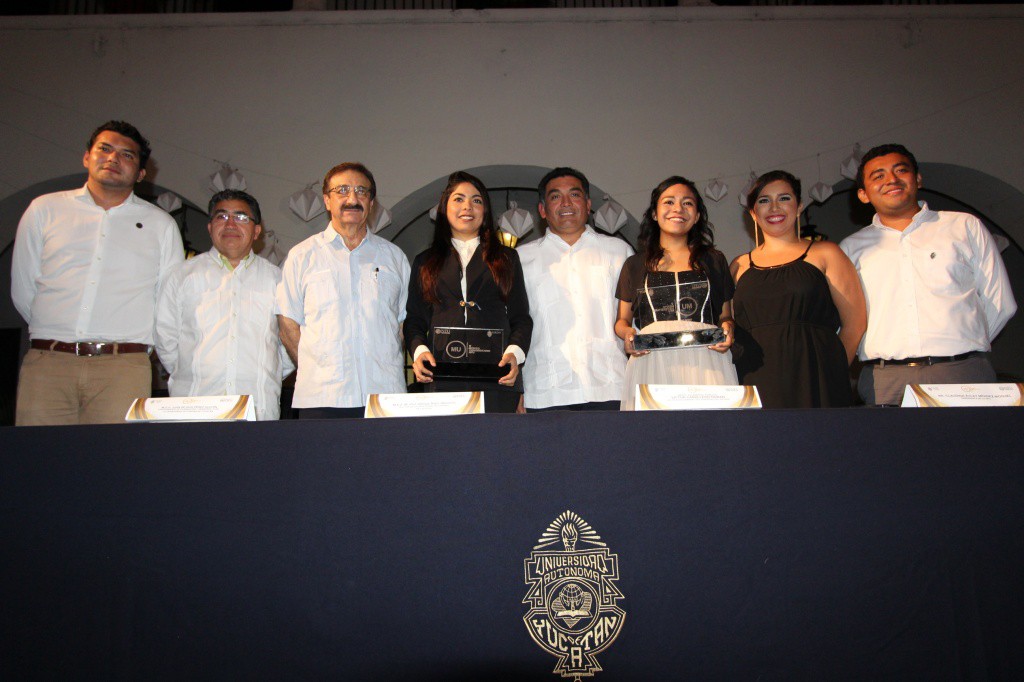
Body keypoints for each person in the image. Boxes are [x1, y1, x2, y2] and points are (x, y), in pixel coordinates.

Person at [11, 120, 184, 425]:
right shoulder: (45, 210)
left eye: (127, 155)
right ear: (86, 156)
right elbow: (24, 289)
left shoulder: (161, 225)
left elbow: (168, 301)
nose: (113, 158)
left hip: (124, 367)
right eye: (105, 149)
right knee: (38, 464)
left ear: (141, 173)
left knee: (115, 466)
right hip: (48, 363)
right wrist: (59, 334)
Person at [840, 144, 1016, 406]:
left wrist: (961, 348)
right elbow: (845, 319)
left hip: (962, 374)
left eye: (901, 170)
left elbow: (999, 302)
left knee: (969, 448)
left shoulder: (963, 226)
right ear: (863, 194)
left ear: (918, 178)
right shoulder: (850, 248)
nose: (891, 180)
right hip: (885, 380)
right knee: (892, 448)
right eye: (878, 176)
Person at [276, 162, 410, 418]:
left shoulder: (394, 257)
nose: (352, 198)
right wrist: (316, 368)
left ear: (372, 202)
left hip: (383, 394)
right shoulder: (302, 256)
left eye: (362, 191)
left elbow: (402, 323)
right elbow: (288, 324)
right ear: (327, 200)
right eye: (342, 190)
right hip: (322, 397)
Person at [730, 171, 866, 408]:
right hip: (754, 378)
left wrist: (830, 369)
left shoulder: (827, 253)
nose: (774, 207)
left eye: (784, 198)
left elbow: (855, 324)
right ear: (753, 212)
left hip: (816, 377)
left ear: (799, 205)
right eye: (764, 200)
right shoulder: (738, 265)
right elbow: (728, 327)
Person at [155, 190, 293, 420]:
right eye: (221, 216)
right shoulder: (182, 275)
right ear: (210, 227)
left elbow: (288, 347)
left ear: (257, 230)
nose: (230, 224)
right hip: (194, 406)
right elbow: (165, 338)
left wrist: (268, 375)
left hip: (257, 408)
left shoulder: (277, 280)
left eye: (240, 217)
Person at [404, 171, 532, 413]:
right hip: (441, 377)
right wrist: (419, 351)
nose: (468, 207)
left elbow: (521, 318)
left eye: (476, 200)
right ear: (444, 208)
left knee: (496, 447)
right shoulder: (425, 261)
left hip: (497, 376)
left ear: (485, 212)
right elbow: (415, 319)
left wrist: (515, 354)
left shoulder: (506, 258)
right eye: (459, 199)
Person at [614, 176, 736, 410]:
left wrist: (729, 329)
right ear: (654, 213)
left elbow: (725, 316)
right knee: (655, 438)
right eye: (669, 202)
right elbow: (622, 321)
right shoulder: (635, 264)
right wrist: (628, 335)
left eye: (687, 203)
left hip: (707, 359)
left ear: (697, 215)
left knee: (711, 436)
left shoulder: (714, 260)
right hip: (652, 360)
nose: (678, 209)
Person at [518, 167, 633, 412]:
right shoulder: (521, 258)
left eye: (575, 194)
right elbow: (514, 326)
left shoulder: (619, 252)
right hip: (545, 390)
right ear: (542, 210)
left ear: (588, 203)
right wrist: (516, 391)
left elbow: (638, 318)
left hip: (611, 386)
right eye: (555, 196)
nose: (566, 203)